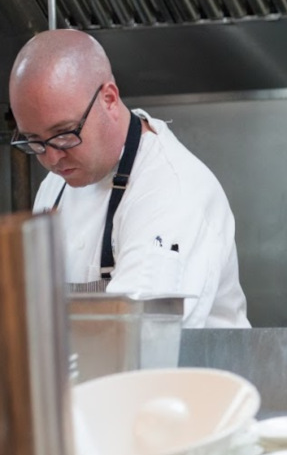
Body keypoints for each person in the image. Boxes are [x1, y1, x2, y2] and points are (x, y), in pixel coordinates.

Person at [8, 29, 249, 328]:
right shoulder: (56, 184)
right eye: (34, 141)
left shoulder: (171, 191)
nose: (51, 159)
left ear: (109, 99)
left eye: (65, 134)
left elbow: (136, 337)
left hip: (172, 373)